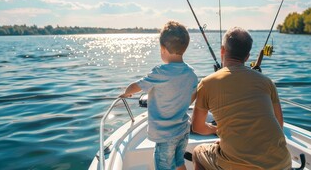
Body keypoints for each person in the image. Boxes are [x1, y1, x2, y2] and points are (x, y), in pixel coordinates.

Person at [191, 27, 291, 170]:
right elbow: (279, 124)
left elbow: (198, 127)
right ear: (247, 56)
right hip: (282, 163)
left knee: (197, 152)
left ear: (222, 50)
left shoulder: (207, 83)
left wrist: (215, 130)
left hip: (240, 166)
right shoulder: (267, 82)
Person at [119, 21, 198, 170]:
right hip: (183, 130)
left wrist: (126, 92)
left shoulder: (160, 72)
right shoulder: (191, 73)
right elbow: (193, 96)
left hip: (165, 136)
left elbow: (137, 86)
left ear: (162, 49)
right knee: (179, 162)